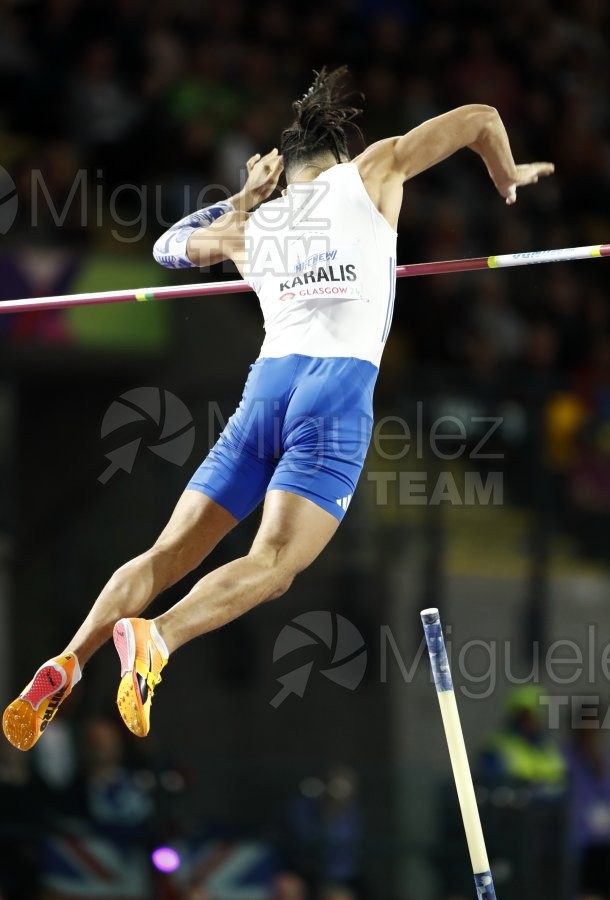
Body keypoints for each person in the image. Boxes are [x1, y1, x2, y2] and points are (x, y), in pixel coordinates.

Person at [3, 66, 554, 750]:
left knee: (169, 551)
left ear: (283, 173)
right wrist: (505, 176)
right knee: (273, 567)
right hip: (335, 392)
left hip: (265, 394)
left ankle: (68, 660)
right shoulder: (373, 171)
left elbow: (167, 248)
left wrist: (238, 202)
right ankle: (159, 638)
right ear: (342, 155)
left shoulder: (254, 225)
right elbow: (480, 117)